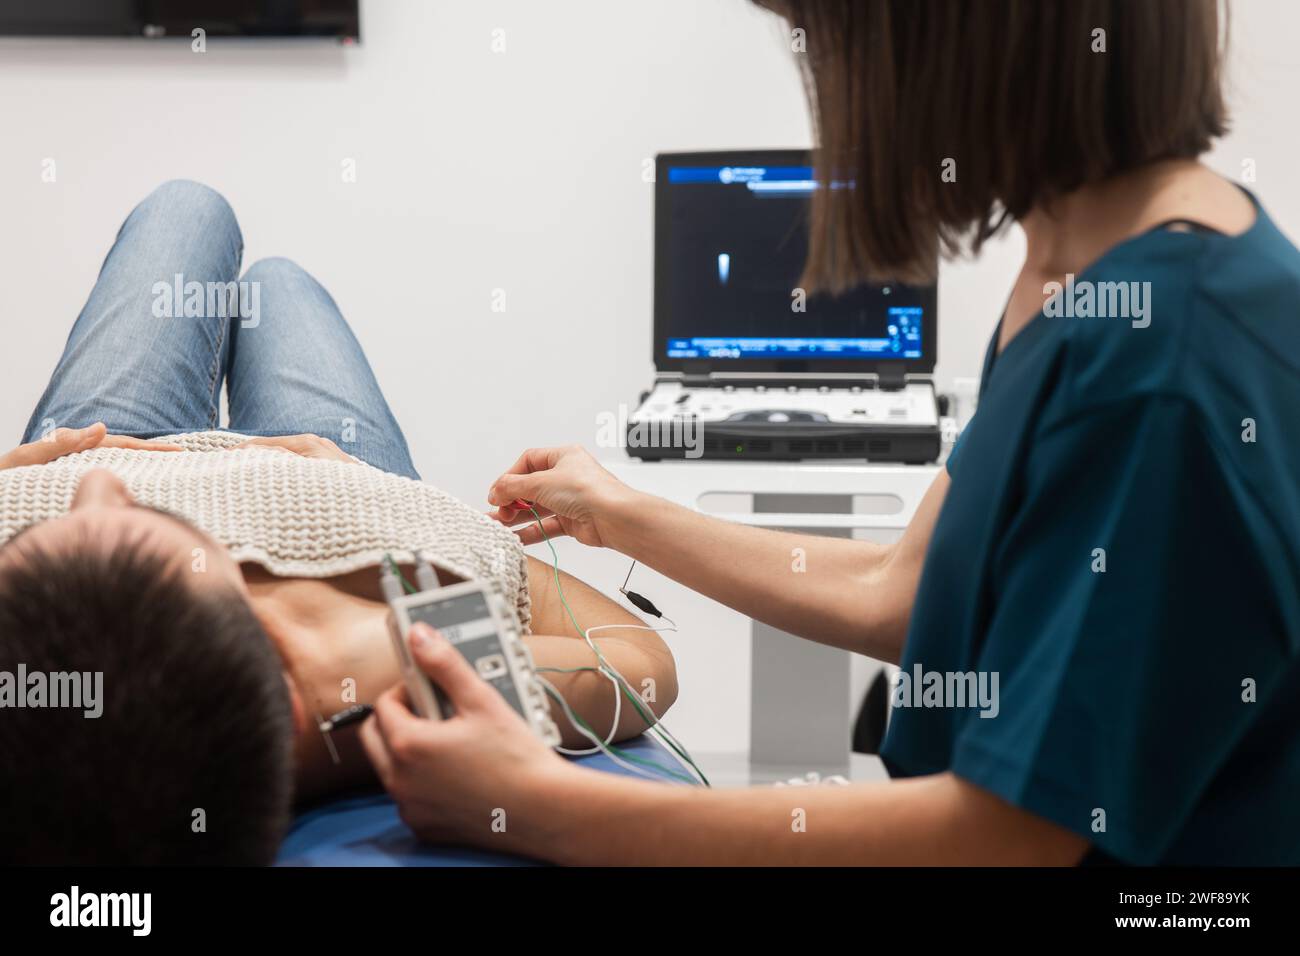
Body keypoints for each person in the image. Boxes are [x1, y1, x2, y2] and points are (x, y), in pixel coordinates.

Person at [360, 0, 1300, 865]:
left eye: (846, 54)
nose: (844, 108)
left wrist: (536, 804)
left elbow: (1008, 836)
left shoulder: (1161, 360)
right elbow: (906, 591)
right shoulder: (1076, 269)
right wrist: (619, 513)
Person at [0, 181, 677, 865]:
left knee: (186, 209)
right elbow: (644, 667)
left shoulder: (84, 476)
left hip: (97, 432)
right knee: (281, 287)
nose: (98, 482)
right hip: (330, 472)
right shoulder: (381, 664)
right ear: (289, 691)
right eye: (140, 523)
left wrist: (22, 477)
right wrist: (460, 546)